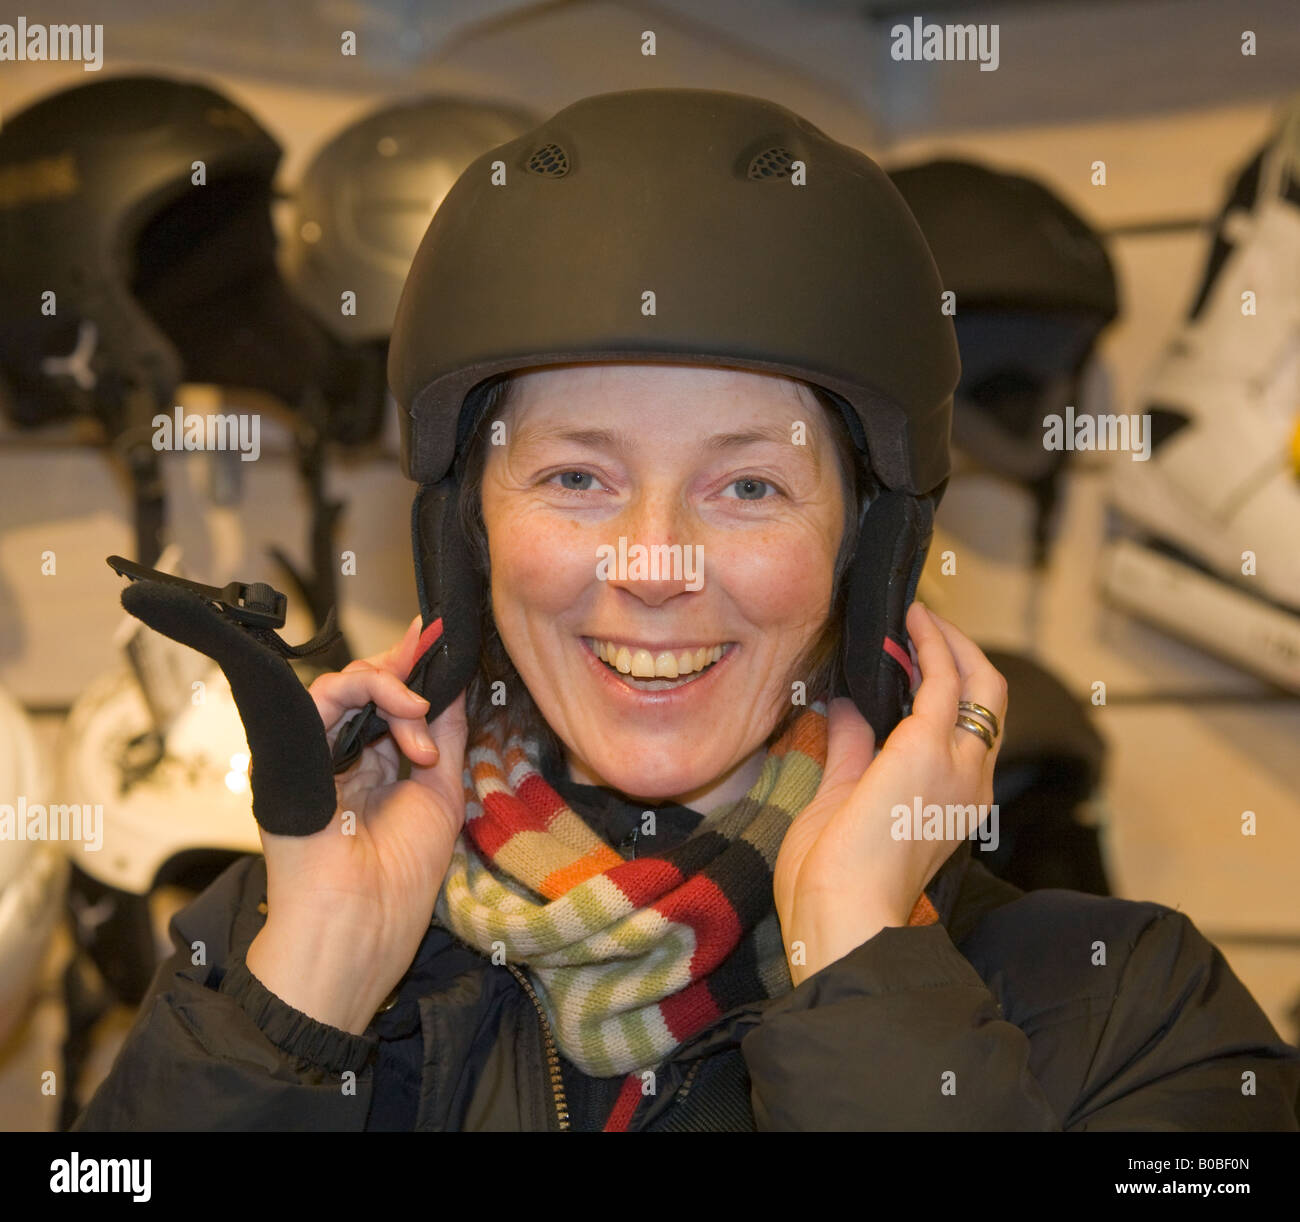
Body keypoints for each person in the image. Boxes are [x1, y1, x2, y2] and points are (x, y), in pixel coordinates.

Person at [74, 89, 1300, 1132]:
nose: (654, 562)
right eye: (575, 476)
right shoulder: (267, 939)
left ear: (866, 548)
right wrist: (304, 996)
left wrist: (865, 969)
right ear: (468, 533)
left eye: (749, 484)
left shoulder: (1127, 1006)